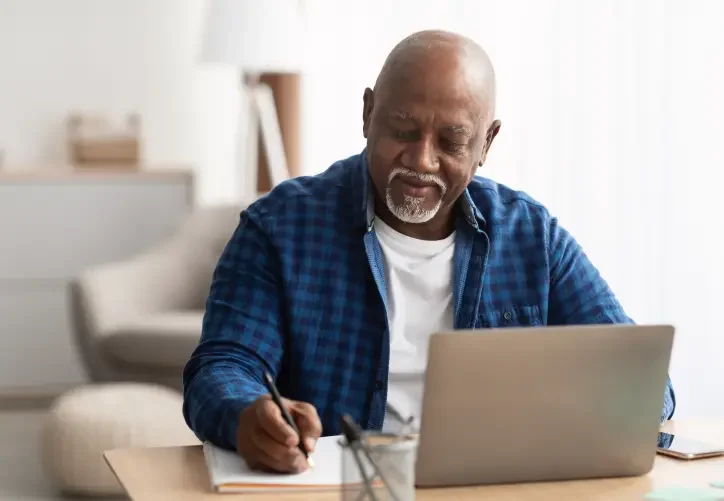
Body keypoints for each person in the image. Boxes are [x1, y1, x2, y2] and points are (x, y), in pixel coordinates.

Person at [182, 29, 675, 474]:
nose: (421, 160)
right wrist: (248, 416)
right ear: (368, 114)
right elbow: (222, 367)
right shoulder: (280, 227)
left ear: (486, 144)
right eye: (403, 130)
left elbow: (644, 385)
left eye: (451, 141)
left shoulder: (533, 238)